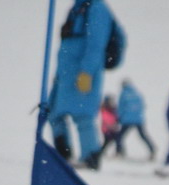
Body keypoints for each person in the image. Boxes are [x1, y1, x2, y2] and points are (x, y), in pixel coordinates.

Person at [46, 0, 116, 171]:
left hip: (81, 74)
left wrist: (86, 71)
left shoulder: (96, 8)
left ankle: (90, 157)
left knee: (82, 115)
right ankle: (63, 155)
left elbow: (96, 45)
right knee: (53, 113)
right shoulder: (78, 7)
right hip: (65, 74)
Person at [102, 78, 157, 160]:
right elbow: (142, 105)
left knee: (119, 136)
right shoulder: (137, 93)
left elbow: (121, 107)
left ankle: (119, 152)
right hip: (139, 119)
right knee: (143, 135)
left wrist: (119, 117)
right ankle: (152, 149)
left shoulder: (124, 94)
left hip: (127, 119)